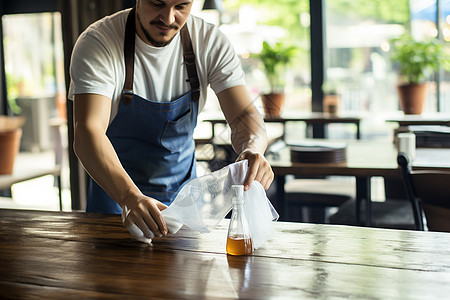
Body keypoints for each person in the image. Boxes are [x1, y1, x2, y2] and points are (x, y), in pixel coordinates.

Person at [68, 0, 274, 241]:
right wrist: (129, 197)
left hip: (184, 206)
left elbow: (244, 116)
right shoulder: (99, 42)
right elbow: (88, 131)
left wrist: (253, 149)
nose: (167, 18)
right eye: (157, 3)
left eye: (181, 6)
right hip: (115, 201)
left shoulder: (209, 42)